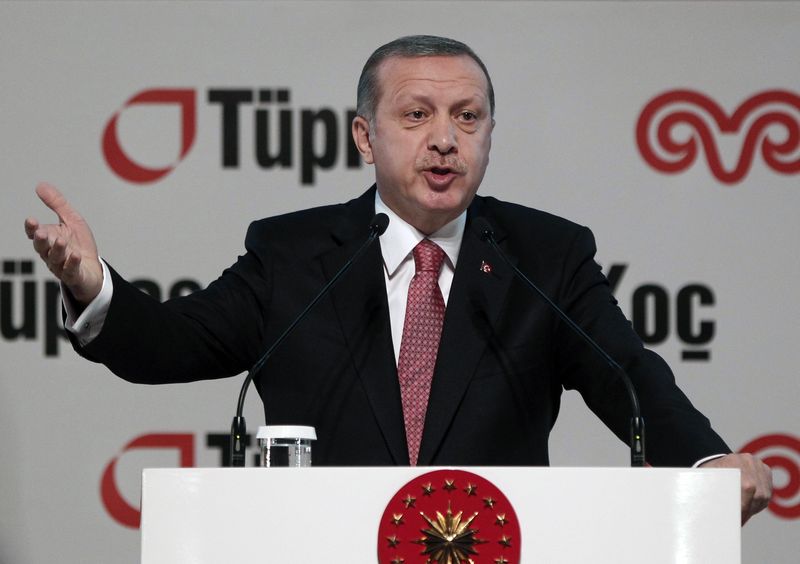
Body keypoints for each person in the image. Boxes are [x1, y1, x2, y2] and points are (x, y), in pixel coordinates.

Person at [25, 35, 771, 524]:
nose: (445, 138)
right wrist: (95, 288)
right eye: (417, 114)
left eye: (468, 117)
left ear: (488, 135)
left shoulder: (545, 256)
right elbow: (169, 344)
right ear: (365, 134)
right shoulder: (294, 253)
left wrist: (705, 464)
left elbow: (629, 376)